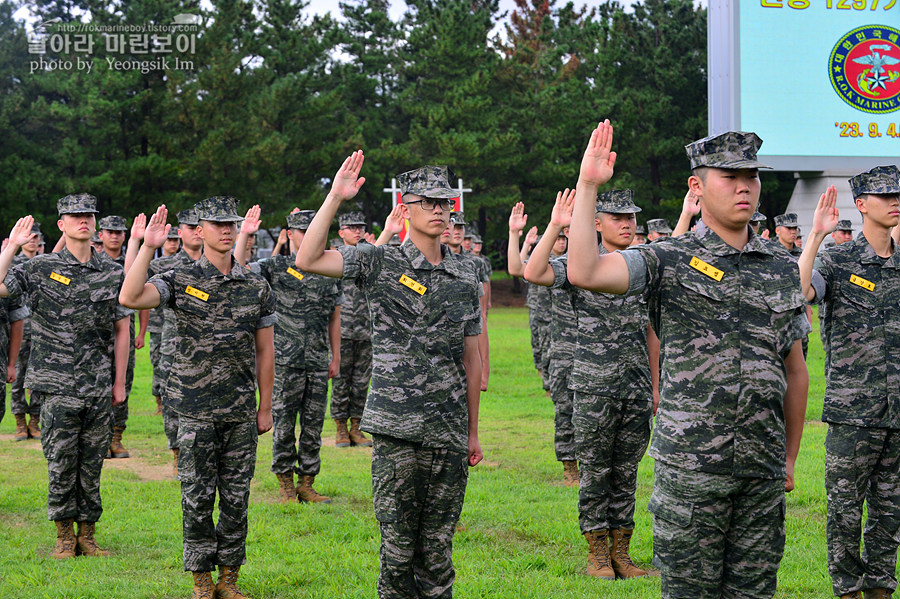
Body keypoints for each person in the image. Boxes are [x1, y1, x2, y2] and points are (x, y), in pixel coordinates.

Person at [567, 122, 810, 598]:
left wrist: (789, 457)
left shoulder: (781, 268)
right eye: (728, 176)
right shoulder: (668, 259)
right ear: (697, 187)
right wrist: (589, 186)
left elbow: (794, 369)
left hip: (761, 473)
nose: (744, 186)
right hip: (692, 473)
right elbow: (584, 270)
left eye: (752, 176)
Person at [296, 155, 483, 598]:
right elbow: (308, 258)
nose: (440, 210)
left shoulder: (464, 272)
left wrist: (473, 431)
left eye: (446, 202)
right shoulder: (379, 261)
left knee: (438, 552)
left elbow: (472, 358)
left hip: (449, 431)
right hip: (398, 430)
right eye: (428, 202)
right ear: (406, 206)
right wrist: (334, 197)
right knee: (398, 553)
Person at [120, 197, 275, 599]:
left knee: (237, 499)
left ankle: (230, 579)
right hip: (194, 410)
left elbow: (266, 350)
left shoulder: (254, 283)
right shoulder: (179, 277)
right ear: (199, 230)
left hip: (239, 412)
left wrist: (265, 405)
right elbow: (130, 298)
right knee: (197, 497)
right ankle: (201, 580)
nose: (226, 230)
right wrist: (147, 246)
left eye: (231, 224)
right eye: (216, 224)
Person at [0, 194, 131, 559]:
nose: (83, 221)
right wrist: (10, 247)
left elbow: (122, 328)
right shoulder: (39, 268)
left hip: (97, 384)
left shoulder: (112, 271)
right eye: (74, 216)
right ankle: (63, 535)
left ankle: (88, 534)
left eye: (88, 214)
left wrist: (119, 381)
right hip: (55, 385)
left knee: (91, 463)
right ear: (61, 224)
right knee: (60, 461)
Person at [798, 165, 900, 599]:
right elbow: (799, 294)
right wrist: (816, 237)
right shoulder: (838, 261)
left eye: (899, 193)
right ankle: (848, 590)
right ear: (861, 205)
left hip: (897, 411)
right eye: (885, 195)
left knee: (890, 510)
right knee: (844, 510)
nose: (895, 200)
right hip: (853, 412)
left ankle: (880, 588)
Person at [235, 207, 341, 504]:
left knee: (314, 425)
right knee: (283, 424)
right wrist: (245, 234)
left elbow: (335, 315)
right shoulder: (275, 266)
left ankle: (307, 482)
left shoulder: (328, 268)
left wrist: (336, 356)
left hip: (317, 361)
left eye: (313, 230)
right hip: (283, 361)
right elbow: (238, 267)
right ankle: (285, 483)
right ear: (291, 234)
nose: (308, 236)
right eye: (302, 231)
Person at [126, 208, 203, 474]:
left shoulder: (216, 264)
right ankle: (176, 451)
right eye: (189, 227)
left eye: (198, 226)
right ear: (180, 232)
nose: (195, 231)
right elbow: (130, 286)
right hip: (174, 346)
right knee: (172, 402)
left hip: (210, 349)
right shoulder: (163, 266)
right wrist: (138, 243)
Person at [523, 191, 580, 486]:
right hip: (565, 351)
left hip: (599, 355)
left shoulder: (609, 261)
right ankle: (570, 466)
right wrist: (553, 227)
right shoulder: (562, 263)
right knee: (566, 411)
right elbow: (520, 269)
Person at [331, 211, 373, 448]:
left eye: (361, 227)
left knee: (361, 381)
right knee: (340, 380)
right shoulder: (335, 256)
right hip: (343, 330)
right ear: (341, 232)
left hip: (366, 330)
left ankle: (357, 427)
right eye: (352, 227)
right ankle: (340, 428)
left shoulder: (370, 256)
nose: (357, 231)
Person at [98, 215, 137, 459]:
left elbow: (137, 303)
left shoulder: (129, 263)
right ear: (100, 235)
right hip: (100, 336)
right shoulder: (92, 262)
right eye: (109, 232)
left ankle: (116, 437)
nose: (114, 236)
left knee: (124, 382)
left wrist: (141, 332)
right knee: (99, 385)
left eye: (119, 232)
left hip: (125, 332)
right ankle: (99, 439)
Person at [507, 210, 551, 392]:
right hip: (541, 310)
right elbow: (516, 267)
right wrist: (515, 236)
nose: (562, 241)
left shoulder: (577, 262)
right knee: (540, 344)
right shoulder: (546, 264)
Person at [9, 221, 41, 439]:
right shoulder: (13, 264)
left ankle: (35, 421)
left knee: (38, 378)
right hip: (20, 331)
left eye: (36, 236)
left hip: (41, 332)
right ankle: (20, 420)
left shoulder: (44, 265)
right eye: (29, 235)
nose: (32, 239)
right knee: (18, 377)